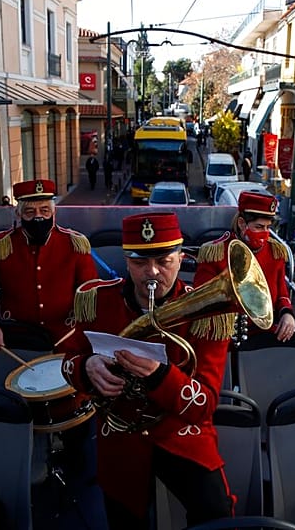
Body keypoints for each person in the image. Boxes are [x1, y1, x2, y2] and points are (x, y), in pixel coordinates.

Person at [62, 213, 234, 529]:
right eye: (140, 262)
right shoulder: (96, 300)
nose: (152, 272)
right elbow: (68, 360)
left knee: (216, 513)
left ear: (181, 258)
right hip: (120, 432)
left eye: (164, 260)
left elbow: (205, 405)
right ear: (126, 261)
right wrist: (87, 368)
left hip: (179, 431)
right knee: (124, 518)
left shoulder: (209, 313)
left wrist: (159, 375)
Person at [0, 179, 98, 353]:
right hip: (16, 341)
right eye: (30, 211)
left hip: (66, 341)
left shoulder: (75, 244)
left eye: (44, 211)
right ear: (19, 214)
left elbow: (92, 295)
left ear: (54, 213)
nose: (38, 217)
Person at [195, 191, 295, 343]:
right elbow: (202, 302)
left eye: (268, 227)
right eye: (259, 227)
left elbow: (281, 291)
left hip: (264, 332)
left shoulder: (275, 252)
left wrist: (287, 314)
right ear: (242, 223)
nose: (265, 234)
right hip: (225, 336)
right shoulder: (215, 253)